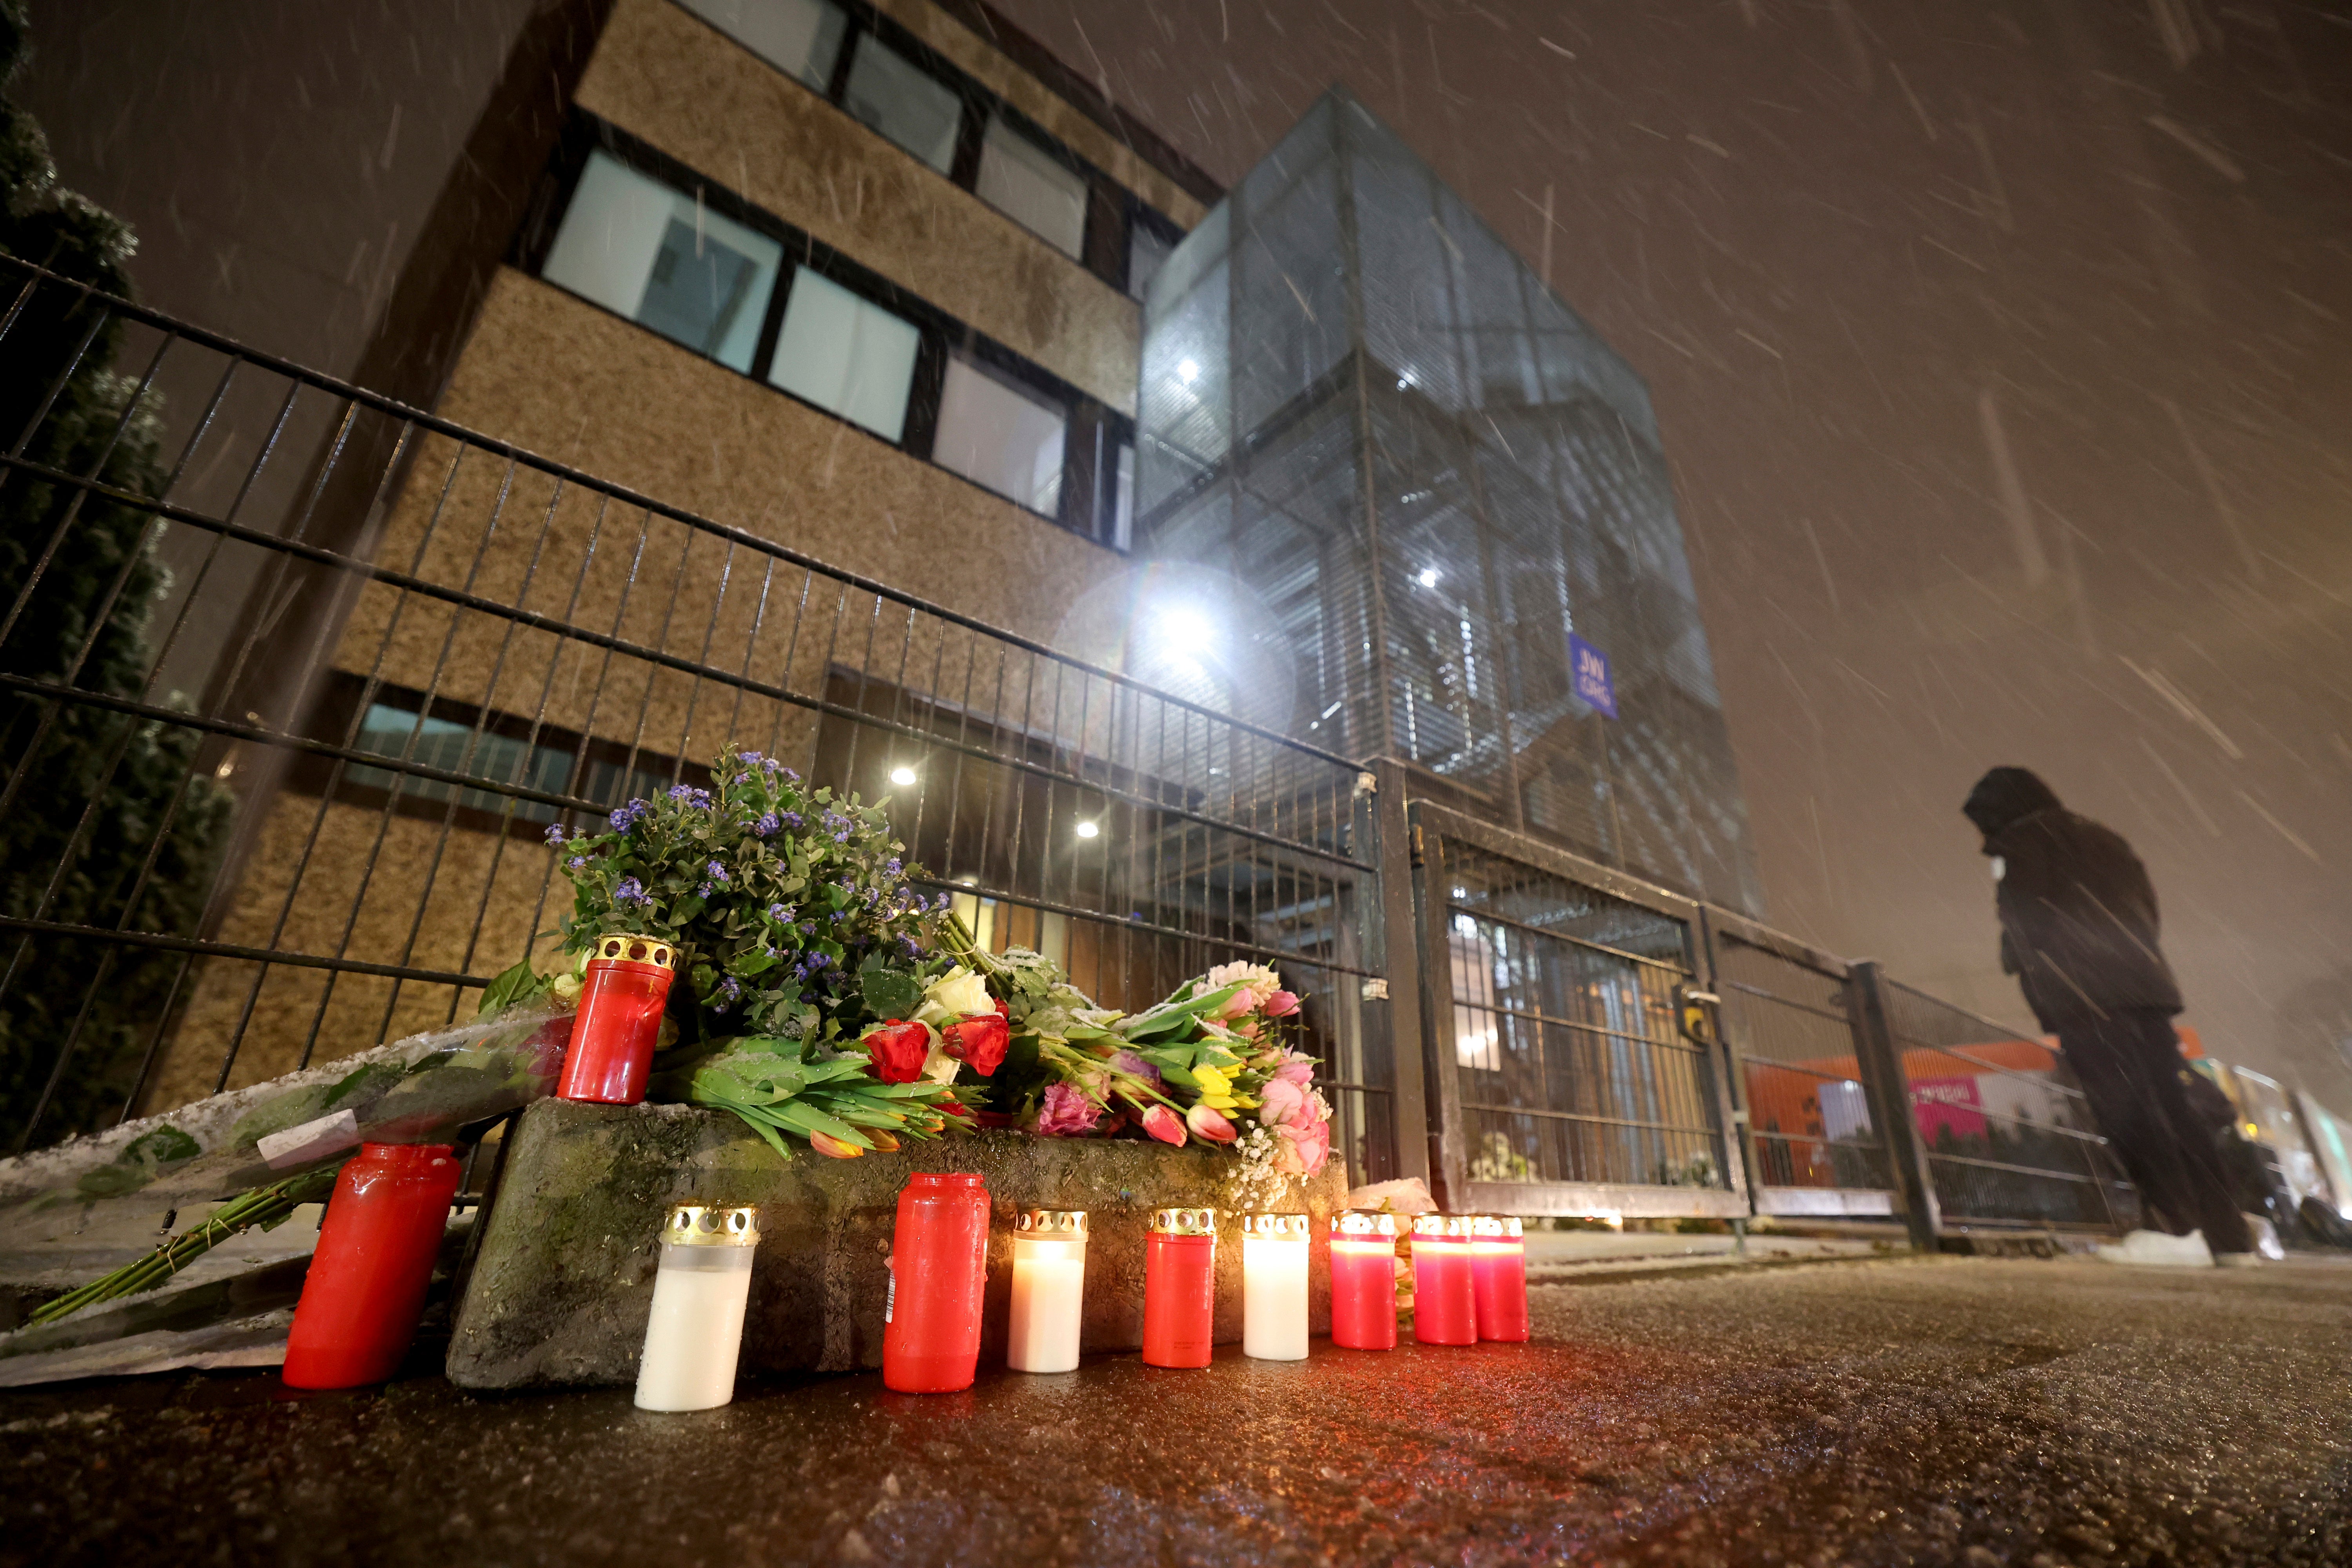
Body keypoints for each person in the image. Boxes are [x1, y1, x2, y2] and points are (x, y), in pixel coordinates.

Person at [1960, 767, 2257, 1265]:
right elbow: (2148, 910)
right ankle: (2228, 1239)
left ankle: (2175, 1228)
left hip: (2086, 995)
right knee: (2176, 1108)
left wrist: (2018, 957)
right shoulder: (2105, 838)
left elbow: (2027, 919)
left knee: (2126, 1109)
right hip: (2145, 988)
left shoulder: (2025, 843)